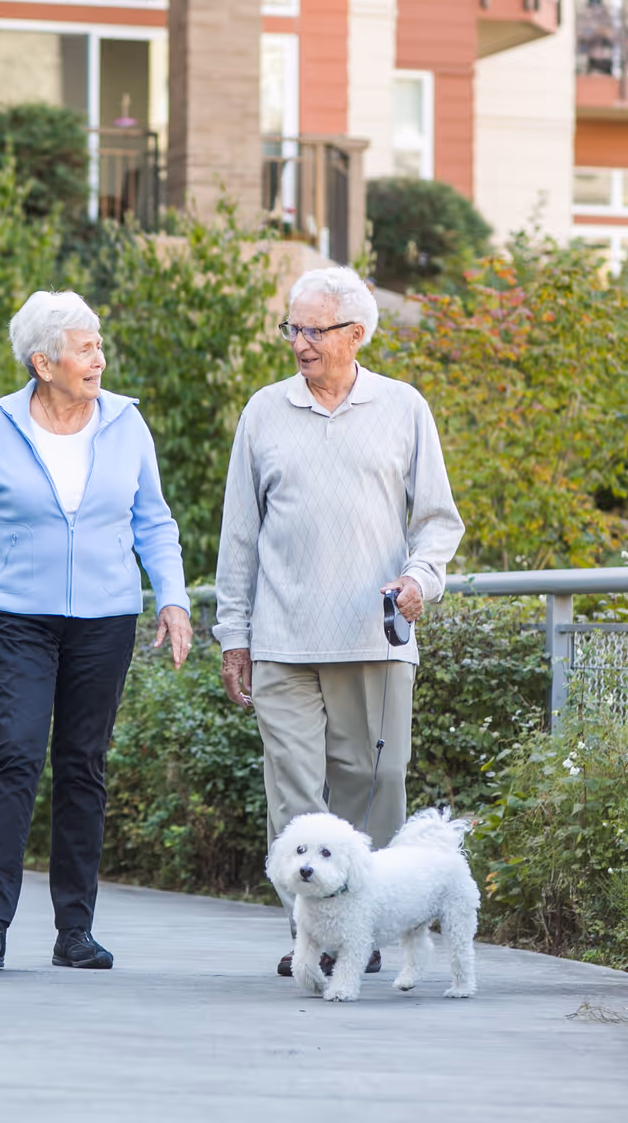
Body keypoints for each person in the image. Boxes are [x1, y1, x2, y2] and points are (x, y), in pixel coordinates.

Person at [0, 289, 194, 971]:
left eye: (99, 345)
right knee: (15, 754)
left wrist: (173, 598)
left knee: (83, 765)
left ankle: (75, 930)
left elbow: (154, 521)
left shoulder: (126, 425)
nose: (99, 359)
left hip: (105, 619)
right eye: (85, 349)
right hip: (19, 616)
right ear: (43, 363)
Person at [213, 265, 464, 979]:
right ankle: (312, 938)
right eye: (292, 327)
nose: (299, 342)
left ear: (356, 334)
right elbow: (240, 534)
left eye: (314, 330)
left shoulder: (404, 406)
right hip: (284, 637)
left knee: (378, 778)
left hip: (375, 638)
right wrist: (235, 633)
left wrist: (420, 581)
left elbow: (438, 520)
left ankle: (369, 923)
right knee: (294, 798)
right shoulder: (264, 412)